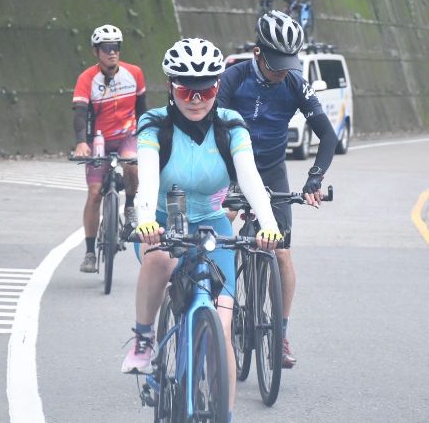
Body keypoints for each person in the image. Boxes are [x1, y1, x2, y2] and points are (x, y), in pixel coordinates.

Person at [121, 38, 282, 418]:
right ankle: (144, 338)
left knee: (223, 330)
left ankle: (224, 414)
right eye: (186, 90)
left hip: (212, 224)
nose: (196, 100)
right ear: (171, 87)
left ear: (217, 87)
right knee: (159, 260)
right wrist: (145, 220)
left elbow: (251, 178)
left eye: (206, 90)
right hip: (162, 221)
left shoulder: (231, 126)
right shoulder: (155, 124)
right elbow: (147, 179)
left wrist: (269, 225)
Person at [216, 9, 338, 369]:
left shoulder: (295, 82)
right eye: (276, 64)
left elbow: (327, 136)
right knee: (221, 225)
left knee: (282, 253)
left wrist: (314, 178)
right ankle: (216, 308)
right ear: (258, 53)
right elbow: (210, 126)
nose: (282, 70)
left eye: (288, 63)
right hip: (231, 167)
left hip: (271, 169)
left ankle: (280, 334)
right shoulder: (233, 78)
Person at [72, 24, 147, 273]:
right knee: (95, 194)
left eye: (116, 47)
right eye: (106, 48)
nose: (112, 52)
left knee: (132, 166)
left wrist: (147, 136)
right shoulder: (86, 78)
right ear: (96, 51)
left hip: (127, 135)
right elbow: (80, 114)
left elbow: (142, 110)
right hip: (99, 140)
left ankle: (129, 206)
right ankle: (90, 253)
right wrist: (82, 142)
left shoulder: (134, 73)